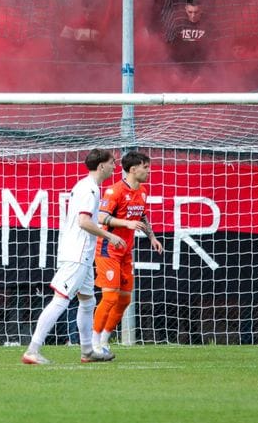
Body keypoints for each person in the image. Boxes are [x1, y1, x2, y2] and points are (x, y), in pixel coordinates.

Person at [22, 148, 122, 365]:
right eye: (112, 162)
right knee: (61, 299)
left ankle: (87, 351)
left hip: (82, 253)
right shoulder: (90, 190)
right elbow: (84, 222)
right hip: (77, 253)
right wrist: (109, 236)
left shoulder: (87, 185)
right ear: (102, 165)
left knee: (88, 300)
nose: (115, 166)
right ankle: (33, 349)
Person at [92, 151, 163, 354]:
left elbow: (142, 215)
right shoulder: (114, 192)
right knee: (110, 297)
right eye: (146, 167)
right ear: (133, 169)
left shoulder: (143, 191)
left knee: (124, 299)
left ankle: (104, 341)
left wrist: (152, 237)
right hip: (108, 250)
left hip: (125, 252)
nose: (149, 171)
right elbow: (102, 218)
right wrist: (126, 223)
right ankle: (93, 342)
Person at [165, 0, 209, 72]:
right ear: (185, 9)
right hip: (181, 69)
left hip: (202, 71)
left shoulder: (209, 26)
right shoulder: (177, 25)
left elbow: (213, 52)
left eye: (196, 12)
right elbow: (169, 50)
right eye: (190, 12)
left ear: (201, 10)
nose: (193, 16)